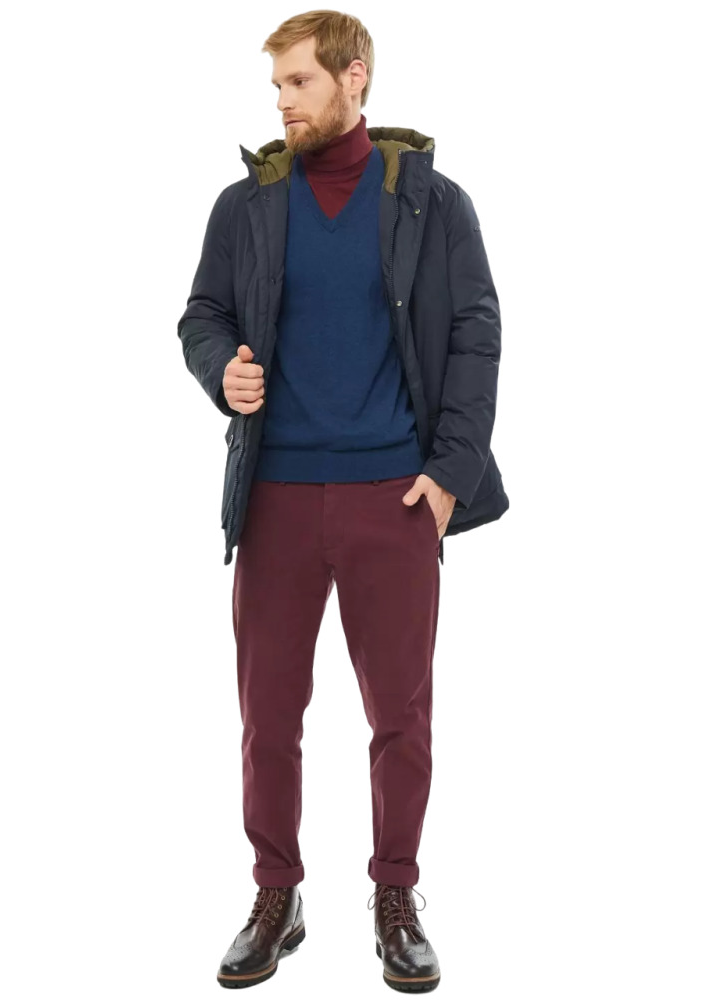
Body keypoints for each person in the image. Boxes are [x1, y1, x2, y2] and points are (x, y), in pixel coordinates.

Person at [177, 10, 509, 992]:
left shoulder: (433, 203)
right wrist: (222, 368)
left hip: (394, 499)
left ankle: (396, 895)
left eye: (299, 83)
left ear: (353, 78)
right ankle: (276, 894)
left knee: (401, 717)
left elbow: (477, 332)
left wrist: (450, 473)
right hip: (274, 499)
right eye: (275, 87)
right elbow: (202, 314)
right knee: (267, 717)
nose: (281, 103)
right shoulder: (247, 205)